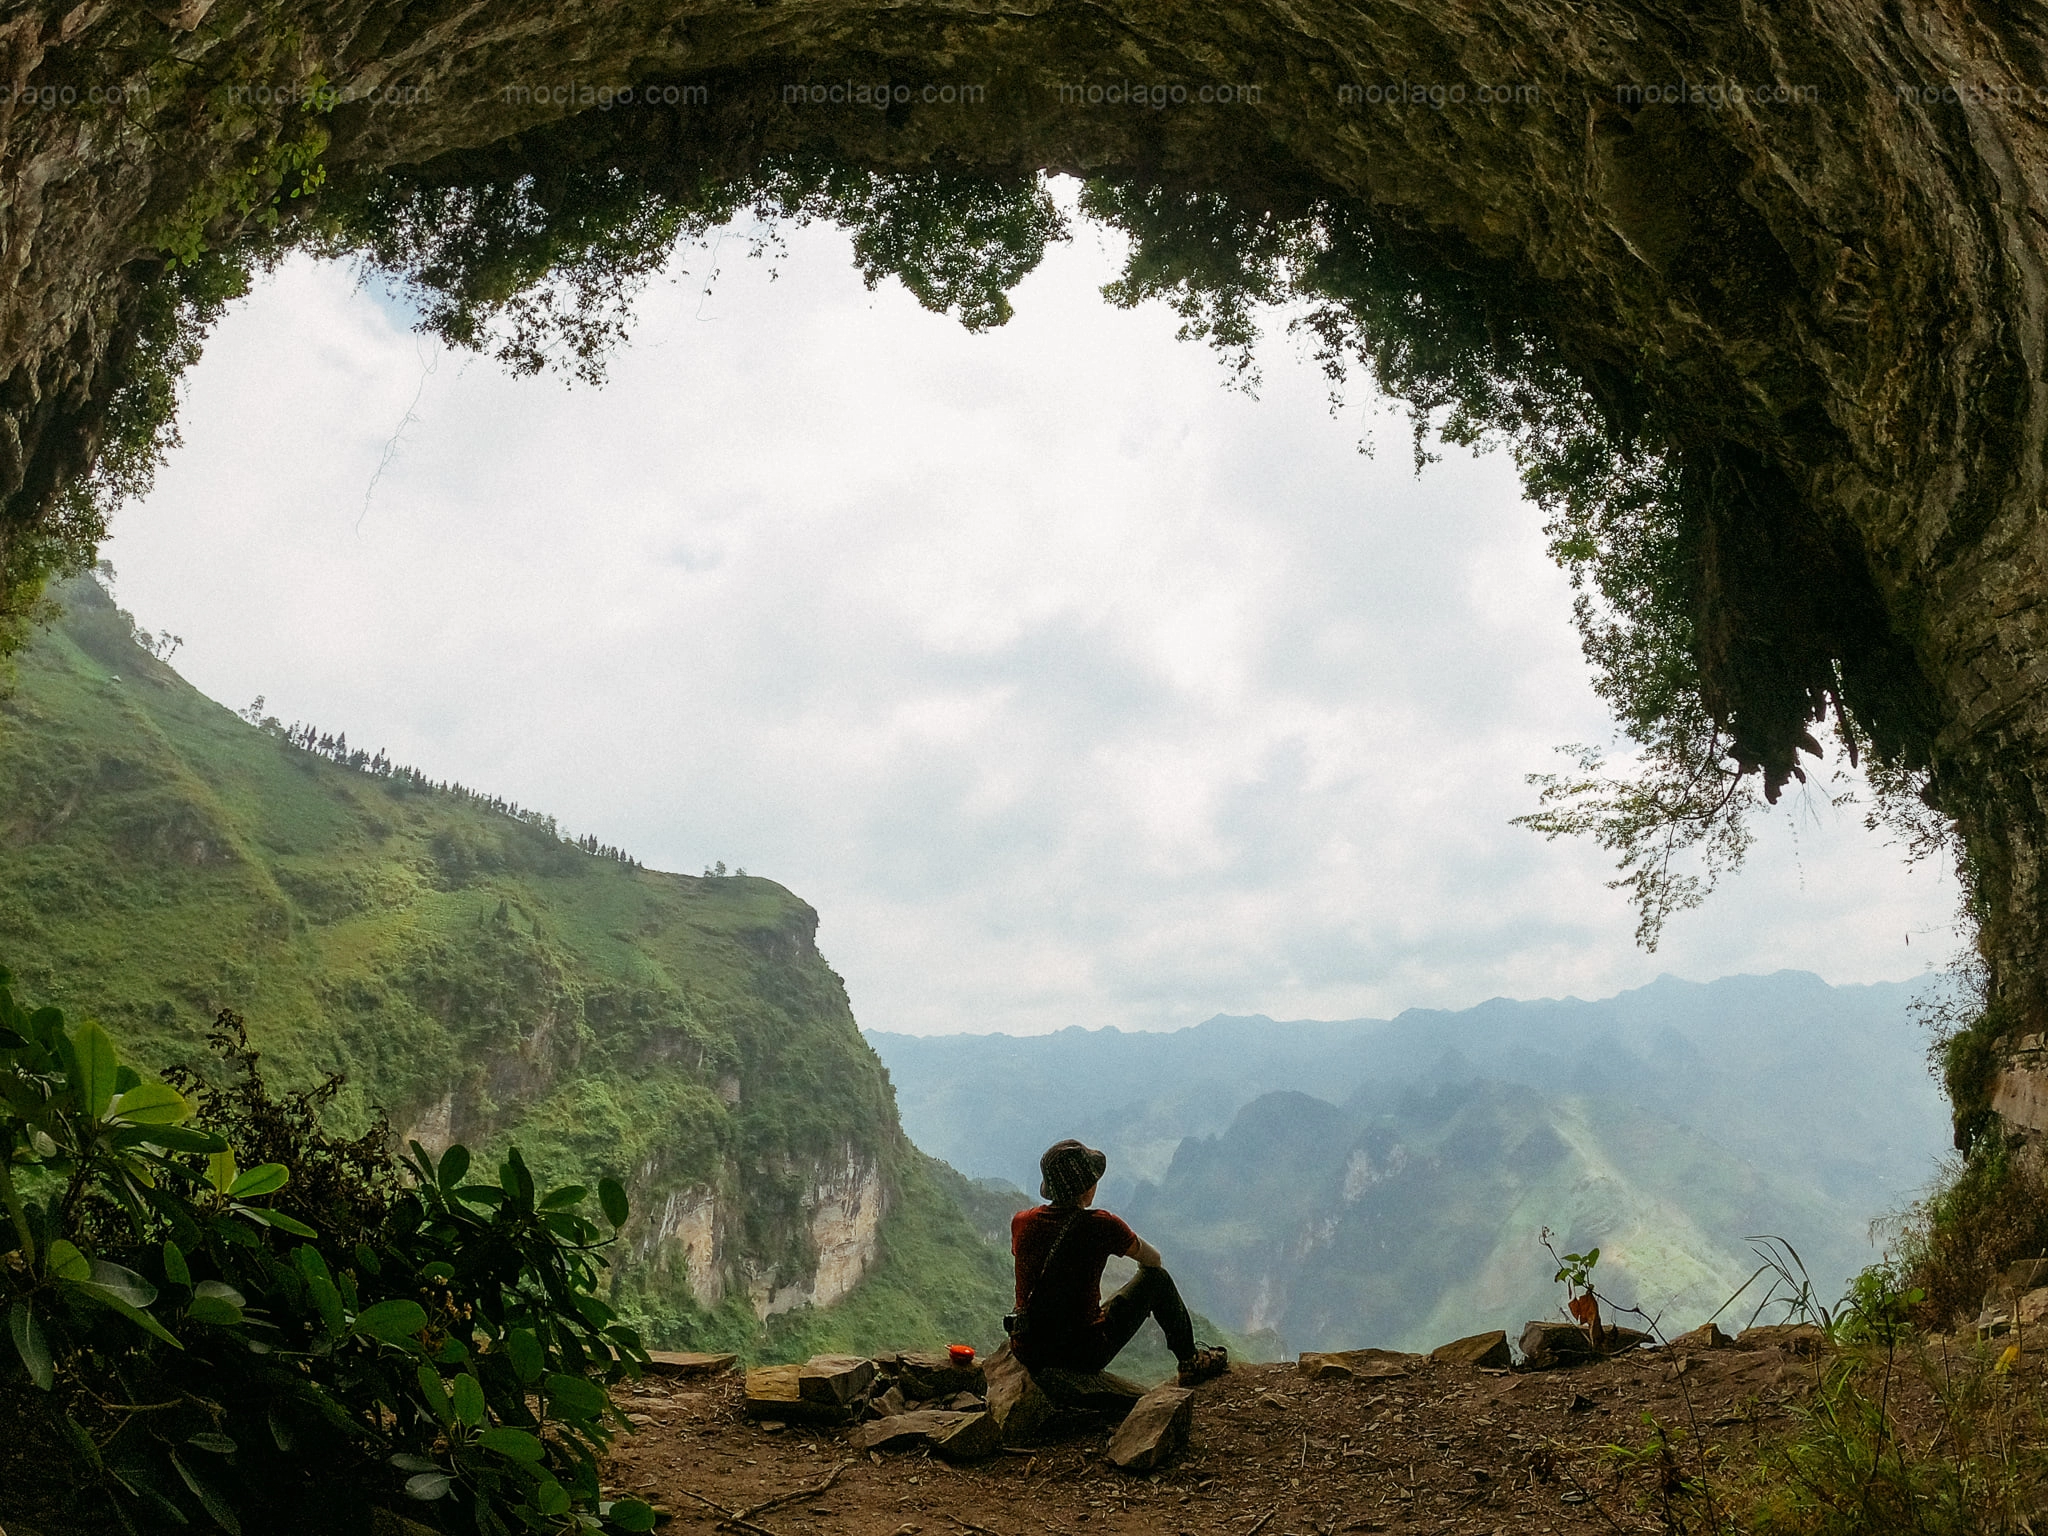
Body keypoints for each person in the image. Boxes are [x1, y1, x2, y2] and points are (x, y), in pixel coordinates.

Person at [1009, 1138, 1228, 1387]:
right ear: (1086, 1188)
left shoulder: (1022, 1222)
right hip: (1080, 1354)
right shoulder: (1101, 1225)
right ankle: (1190, 1362)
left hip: (1027, 1348)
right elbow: (1154, 1260)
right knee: (1157, 1280)